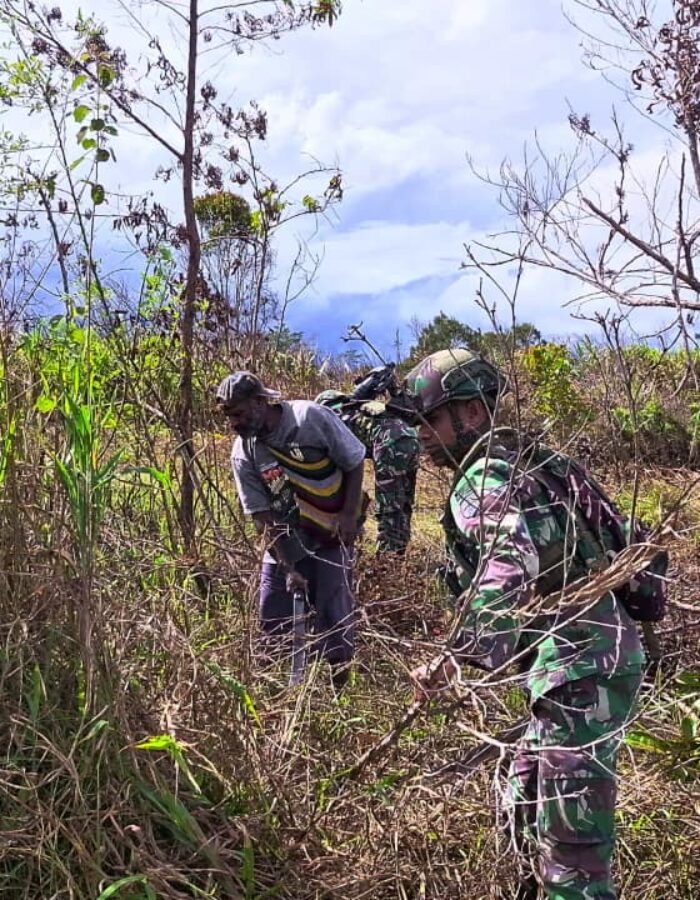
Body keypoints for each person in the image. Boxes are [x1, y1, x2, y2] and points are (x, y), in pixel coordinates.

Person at [404, 348, 665, 900]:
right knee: (523, 798)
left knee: (574, 862)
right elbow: (625, 535)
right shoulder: (545, 465)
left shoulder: (484, 479)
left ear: (471, 413)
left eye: (431, 418)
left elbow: (507, 561)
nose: (422, 435)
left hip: (579, 671)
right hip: (586, 663)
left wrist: (458, 656)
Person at [216, 371, 366, 688]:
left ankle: (341, 694)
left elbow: (354, 460)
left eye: (239, 413)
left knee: (334, 615)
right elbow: (261, 515)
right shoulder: (244, 453)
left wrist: (349, 515)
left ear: (260, 402)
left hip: (331, 534)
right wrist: (287, 567)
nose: (234, 424)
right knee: (273, 616)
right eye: (229, 416)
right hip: (285, 541)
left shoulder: (309, 418)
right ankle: (276, 697)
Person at [315, 388, 419, 553]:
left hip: (389, 444)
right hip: (411, 437)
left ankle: (389, 559)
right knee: (403, 502)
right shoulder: (359, 408)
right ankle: (399, 551)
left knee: (388, 507)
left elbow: (347, 477)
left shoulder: (335, 420)